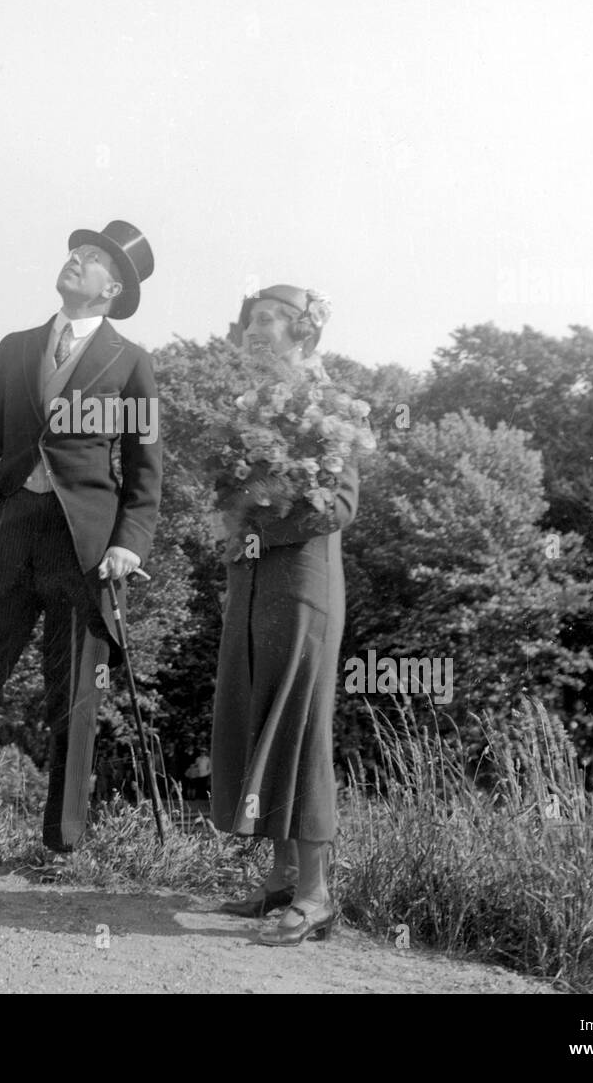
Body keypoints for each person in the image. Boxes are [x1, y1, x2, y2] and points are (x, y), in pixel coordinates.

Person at [0, 221, 161, 862]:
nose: (76, 260)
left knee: (76, 694)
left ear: (112, 288)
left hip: (85, 545)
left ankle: (62, 845)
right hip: (11, 530)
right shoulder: (15, 347)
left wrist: (129, 544)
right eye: (76, 251)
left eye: (92, 259)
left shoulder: (130, 361)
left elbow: (145, 466)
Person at [210, 284, 359, 945]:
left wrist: (264, 514)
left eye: (269, 319)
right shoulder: (252, 405)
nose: (255, 330)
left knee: (298, 725)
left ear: (304, 331)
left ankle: (315, 894)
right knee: (257, 714)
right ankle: (278, 883)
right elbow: (233, 497)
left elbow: (338, 506)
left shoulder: (327, 400)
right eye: (250, 322)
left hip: (302, 580)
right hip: (253, 580)